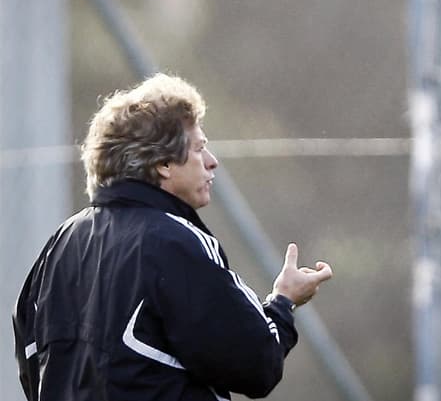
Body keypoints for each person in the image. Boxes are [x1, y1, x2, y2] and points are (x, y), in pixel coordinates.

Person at [12, 73, 333, 401]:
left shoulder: (58, 245)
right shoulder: (173, 241)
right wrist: (283, 301)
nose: (212, 162)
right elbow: (255, 364)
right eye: (199, 149)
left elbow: (31, 367)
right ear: (164, 162)